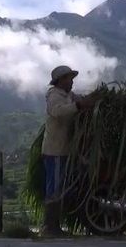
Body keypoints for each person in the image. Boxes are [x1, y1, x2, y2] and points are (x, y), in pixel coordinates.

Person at [41, 65, 97, 236]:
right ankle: (50, 227)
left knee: (62, 186)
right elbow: (57, 112)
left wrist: (93, 99)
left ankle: (54, 225)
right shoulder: (54, 96)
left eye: (72, 78)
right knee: (55, 188)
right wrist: (79, 106)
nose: (71, 82)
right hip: (55, 150)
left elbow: (80, 99)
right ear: (60, 81)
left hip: (65, 150)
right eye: (68, 78)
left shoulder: (68, 95)